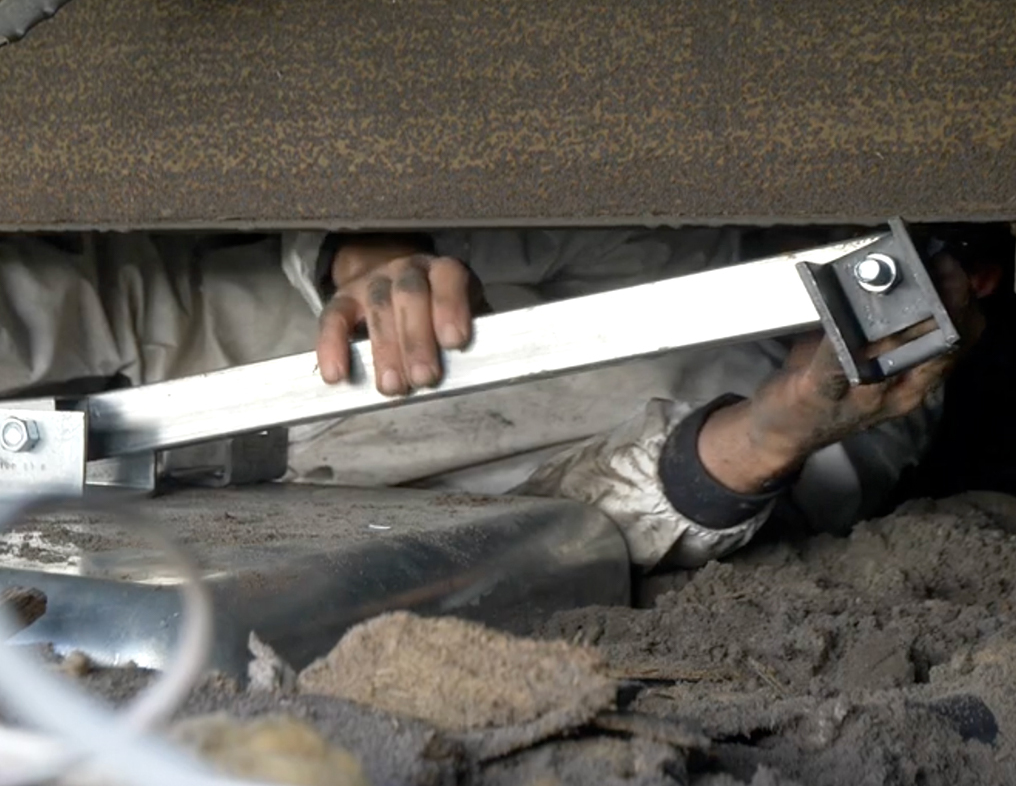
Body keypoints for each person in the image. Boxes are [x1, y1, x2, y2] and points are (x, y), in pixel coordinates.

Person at [0, 226, 1002, 568]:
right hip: (173, 336)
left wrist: (766, 434)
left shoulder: (880, 418)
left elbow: (599, 526)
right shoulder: (675, 221)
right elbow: (433, 208)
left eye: (962, 264)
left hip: (267, 528)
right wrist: (365, 252)